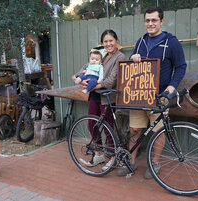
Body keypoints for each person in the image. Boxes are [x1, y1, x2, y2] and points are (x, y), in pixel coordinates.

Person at [117, 6, 187, 177]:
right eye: (147, 20)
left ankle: (155, 163)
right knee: (134, 129)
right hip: (139, 96)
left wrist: (171, 87)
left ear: (161, 21)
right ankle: (131, 162)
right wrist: (132, 59)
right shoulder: (140, 42)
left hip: (160, 97)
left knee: (159, 132)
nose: (150, 23)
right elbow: (130, 70)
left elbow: (180, 67)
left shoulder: (172, 42)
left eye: (154, 20)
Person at [74, 29, 126, 170]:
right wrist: (82, 81)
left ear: (116, 41)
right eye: (105, 41)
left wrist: (92, 86)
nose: (108, 44)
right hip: (95, 96)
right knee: (92, 124)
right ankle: (99, 153)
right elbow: (84, 68)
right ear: (102, 43)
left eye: (111, 41)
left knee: (109, 127)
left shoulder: (119, 57)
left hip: (107, 97)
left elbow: (111, 81)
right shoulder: (100, 54)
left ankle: (113, 156)